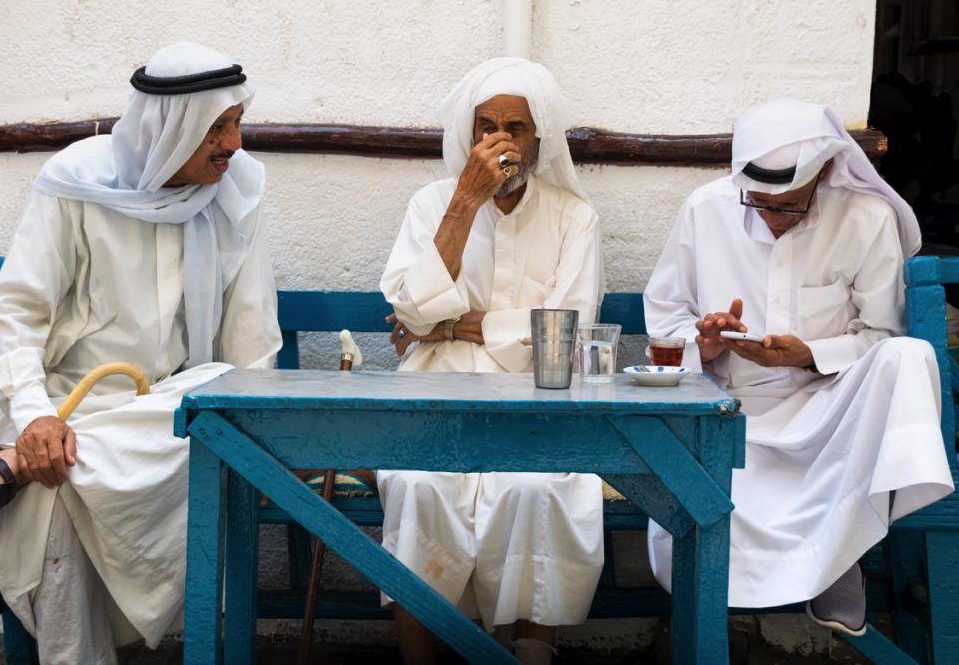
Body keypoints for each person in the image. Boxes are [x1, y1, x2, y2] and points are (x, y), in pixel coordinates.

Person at [0, 42, 281, 664]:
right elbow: (16, 310)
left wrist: (260, 433)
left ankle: (3, 465)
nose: (233, 144)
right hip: (61, 406)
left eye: (236, 124)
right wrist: (34, 417)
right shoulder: (78, 182)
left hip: (166, 421)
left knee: (215, 393)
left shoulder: (240, 191)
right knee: (59, 481)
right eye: (216, 129)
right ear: (169, 129)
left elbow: (250, 340)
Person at [643, 97, 955, 636]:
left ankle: (842, 551)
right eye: (758, 202)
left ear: (826, 175)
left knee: (910, 355)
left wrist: (809, 354)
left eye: (787, 206)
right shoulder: (706, 209)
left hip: (830, 411)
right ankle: (825, 559)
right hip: (729, 412)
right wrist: (707, 343)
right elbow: (665, 317)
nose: (769, 218)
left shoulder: (865, 218)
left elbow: (882, 334)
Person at [379, 57, 604, 665]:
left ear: (539, 140)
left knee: (537, 489)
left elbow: (569, 328)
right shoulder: (432, 205)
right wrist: (464, 202)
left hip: (539, 396)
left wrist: (455, 323)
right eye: (485, 127)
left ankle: (530, 657)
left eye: (515, 128)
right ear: (468, 133)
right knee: (419, 486)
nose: (498, 142)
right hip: (436, 391)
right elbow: (409, 311)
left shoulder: (573, 217)